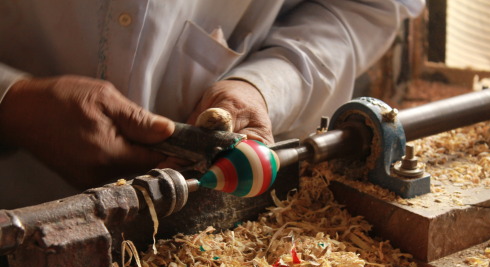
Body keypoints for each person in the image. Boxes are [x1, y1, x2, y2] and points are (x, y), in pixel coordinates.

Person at [0, 0, 424, 208]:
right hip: (18, 191)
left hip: (213, 213)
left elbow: (362, 7)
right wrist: (11, 102)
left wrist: (264, 85)